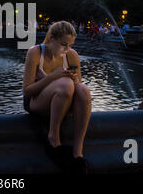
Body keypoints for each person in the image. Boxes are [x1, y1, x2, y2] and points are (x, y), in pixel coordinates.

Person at [22, 21, 91, 173]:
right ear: (51, 38)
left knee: (84, 90)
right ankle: (53, 138)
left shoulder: (72, 55)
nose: (67, 49)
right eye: (64, 44)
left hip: (63, 100)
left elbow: (78, 87)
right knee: (65, 84)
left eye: (70, 45)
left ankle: (77, 152)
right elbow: (27, 91)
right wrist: (53, 77)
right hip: (36, 101)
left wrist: (75, 80)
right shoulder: (35, 53)